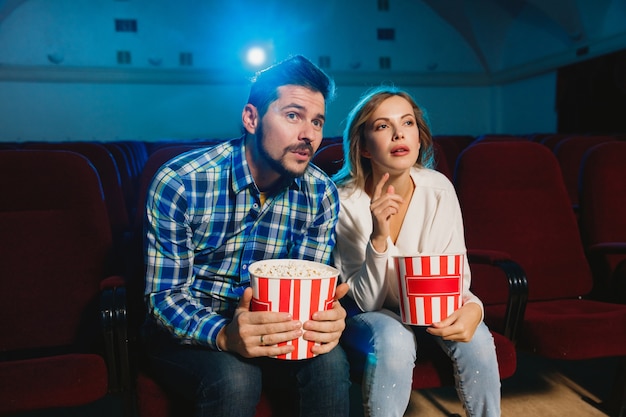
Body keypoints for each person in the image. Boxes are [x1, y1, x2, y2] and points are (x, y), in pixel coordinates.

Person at [142, 55, 351, 417]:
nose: (309, 134)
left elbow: (306, 285)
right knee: (236, 378)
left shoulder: (321, 193)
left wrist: (327, 317)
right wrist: (225, 335)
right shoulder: (181, 182)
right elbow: (165, 296)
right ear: (251, 118)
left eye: (317, 121)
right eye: (293, 115)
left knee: (331, 363)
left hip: (277, 327)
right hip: (192, 328)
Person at [332, 86, 501, 417]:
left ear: (419, 136)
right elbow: (367, 300)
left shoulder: (438, 188)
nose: (398, 134)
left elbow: (452, 277)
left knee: (477, 338)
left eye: (407, 123)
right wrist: (379, 236)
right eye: (382, 126)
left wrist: (475, 309)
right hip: (367, 314)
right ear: (364, 147)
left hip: (427, 308)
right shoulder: (344, 201)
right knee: (394, 336)